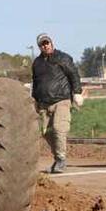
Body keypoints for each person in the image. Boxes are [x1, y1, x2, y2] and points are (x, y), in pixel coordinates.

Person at [32, 33, 84, 173]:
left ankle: (61, 159)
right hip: (43, 104)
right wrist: (35, 100)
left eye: (47, 42)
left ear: (51, 43)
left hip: (62, 100)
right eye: (42, 44)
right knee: (46, 132)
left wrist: (77, 92)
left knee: (58, 129)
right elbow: (36, 83)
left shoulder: (63, 58)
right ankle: (58, 158)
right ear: (39, 47)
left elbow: (74, 75)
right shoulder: (37, 63)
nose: (45, 45)